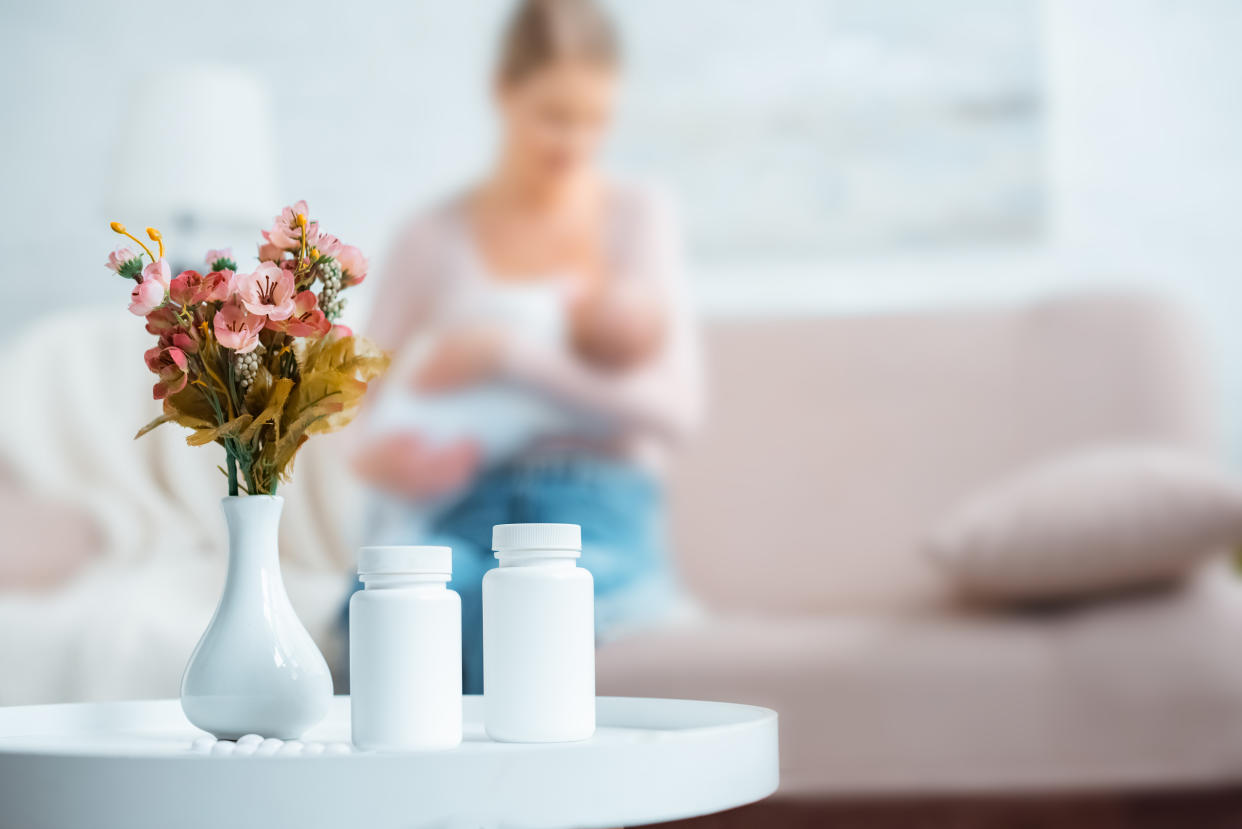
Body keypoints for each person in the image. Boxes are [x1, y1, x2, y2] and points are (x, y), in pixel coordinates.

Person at [353, 0, 702, 694]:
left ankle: (495, 805)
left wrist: (507, 357)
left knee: (508, 603)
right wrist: (383, 459)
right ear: (502, 91)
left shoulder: (636, 215)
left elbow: (674, 413)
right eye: (554, 115)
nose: (575, 141)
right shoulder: (430, 237)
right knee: (406, 598)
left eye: (596, 119)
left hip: (599, 517)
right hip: (463, 505)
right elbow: (347, 403)